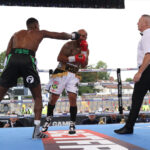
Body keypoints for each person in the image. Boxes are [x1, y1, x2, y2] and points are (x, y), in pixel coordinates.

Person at [0, 17, 80, 138]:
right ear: (36, 25)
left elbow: (7, 53)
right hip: (27, 59)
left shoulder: (16, 34)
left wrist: (9, 68)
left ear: (27, 26)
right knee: (37, 97)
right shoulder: (39, 32)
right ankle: (37, 131)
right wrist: (72, 35)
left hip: (13, 59)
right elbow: (58, 35)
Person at [42, 29, 89, 134]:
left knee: (73, 98)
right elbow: (59, 58)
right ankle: (48, 119)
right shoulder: (68, 44)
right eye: (81, 35)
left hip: (74, 75)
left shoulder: (85, 48)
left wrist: (83, 56)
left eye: (85, 36)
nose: (83, 38)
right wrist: (74, 58)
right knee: (53, 98)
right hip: (61, 73)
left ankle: (72, 124)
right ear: (76, 35)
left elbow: (84, 65)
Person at [114, 14, 150, 134]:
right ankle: (129, 126)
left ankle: (129, 127)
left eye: (139, 21)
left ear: (146, 23)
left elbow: (148, 55)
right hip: (147, 69)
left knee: (136, 99)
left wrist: (140, 72)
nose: (137, 23)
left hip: (146, 70)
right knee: (136, 99)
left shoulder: (147, 34)